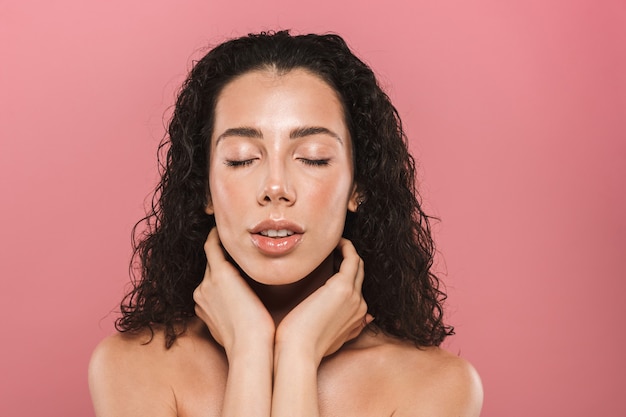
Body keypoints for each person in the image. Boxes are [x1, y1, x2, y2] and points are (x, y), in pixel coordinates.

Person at [89, 30, 483, 416]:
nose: (276, 188)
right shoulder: (133, 368)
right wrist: (250, 347)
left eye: (313, 157)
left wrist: (298, 350)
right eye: (242, 158)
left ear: (358, 186)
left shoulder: (437, 387)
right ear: (204, 189)